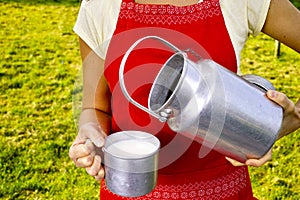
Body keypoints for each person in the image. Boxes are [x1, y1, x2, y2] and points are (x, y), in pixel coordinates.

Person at [69, 0, 300, 199]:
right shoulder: (101, 6)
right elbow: (94, 106)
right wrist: (90, 131)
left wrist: (291, 120)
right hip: (127, 191)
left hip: (222, 192)